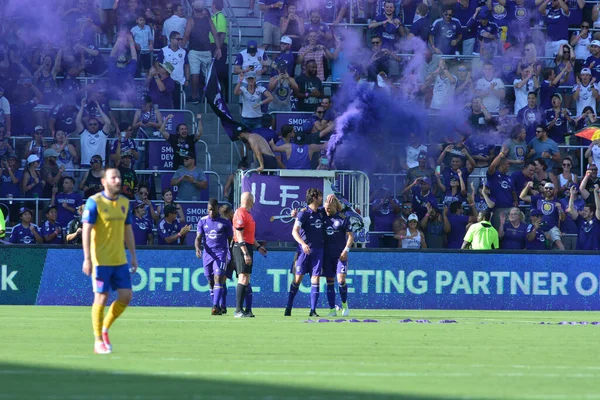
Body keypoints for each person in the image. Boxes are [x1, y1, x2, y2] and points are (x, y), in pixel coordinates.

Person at [81, 168, 138, 354]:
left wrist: (133, 255)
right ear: (104, 181)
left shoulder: (124, 202)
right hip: (100, 261)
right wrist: (87, 258)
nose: (117, 180)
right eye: (113, 177)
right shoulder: (94, 202)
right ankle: (98, 340)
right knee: (101, 297)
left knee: (126, 296)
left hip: (119, 260)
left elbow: (127, 230)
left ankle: (105, 327)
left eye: (119, 177)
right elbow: (87, 230)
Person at [285, 188, 324, 317]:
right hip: (303, 252)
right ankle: (288, 306)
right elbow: (294, 231)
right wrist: (303, 244)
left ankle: (313, 310)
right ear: (314, 197)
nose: (322, 198)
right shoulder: (303, 214)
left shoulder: (321, 212)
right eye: (320, 196)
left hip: (318, 251)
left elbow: (337, 208)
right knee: (297, 279)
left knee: (316, 279)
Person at [195, 198, 233, 315]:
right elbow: (198, 237)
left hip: (220, 253)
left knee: (219, 278)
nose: (211, 212)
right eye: (209, 210)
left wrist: (229, 252)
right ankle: (220, 305)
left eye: (213, 209)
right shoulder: (202, 221)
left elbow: (230, 238)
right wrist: (197, 248)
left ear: (217, 208)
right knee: (210, 281)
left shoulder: (225, 222)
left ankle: (215, 306)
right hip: (208, 254)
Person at [232, 192, 267, 318]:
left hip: (247, 246)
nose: (254, 202)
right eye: (252, 200)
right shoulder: (240, 213)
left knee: (246, 278)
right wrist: (245, 252)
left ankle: (246, 310)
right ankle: (238, 310)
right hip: (241, 247)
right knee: (243, 277)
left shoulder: (248, 214)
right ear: (248, 200)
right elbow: (239, 234)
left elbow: (249, 236)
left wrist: (258, 247)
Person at [182, 1, 222, 103]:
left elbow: (186, 35)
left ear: (193, 9)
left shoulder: (191, 20)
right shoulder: (208, 20)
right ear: (203, 9)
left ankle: (195, 96)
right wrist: (218, 48)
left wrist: (180, 47)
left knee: (195, 74)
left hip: (194, 51)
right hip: (207, 51)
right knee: (207, 76)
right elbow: (215, 34)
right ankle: (210, 97)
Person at [321, 194, 353, 317]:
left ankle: (345, 305)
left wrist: (346, 250)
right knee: (329, 281)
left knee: (341, 280)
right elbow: (309, 210)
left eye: (329, 208)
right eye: (325, 208)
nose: (327, 210)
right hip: (327, 256)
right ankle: (332, 309)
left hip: (340, 255)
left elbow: (351, 236)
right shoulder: (322, 215)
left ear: (334, 206)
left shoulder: (343, 218)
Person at [520, 181, 566, 250]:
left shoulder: (558, 202)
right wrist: (527, 187)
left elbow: (562, 218)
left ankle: (565, 258)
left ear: (554, 190)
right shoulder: (538, 199)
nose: (548, 190)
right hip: (539, 227)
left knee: (558, 242)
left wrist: (560, 209)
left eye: (550, 188)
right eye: (546, 188)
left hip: (552, 228)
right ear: (543, 189)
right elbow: (522, 197)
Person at [76, 98, 112, 167]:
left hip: (100, 166)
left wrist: (99, 109)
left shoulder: (102, 134)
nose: (93, 126)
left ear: (98, 125)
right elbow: (77, 122)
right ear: (88, 125)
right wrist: (82, 107)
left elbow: (108, 123)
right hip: (85, 165)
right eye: (90, 124)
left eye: (95, 124)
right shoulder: (84, 134)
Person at [566, 185, 600, 250]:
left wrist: (595, 193)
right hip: (580, 253)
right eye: (583, 210)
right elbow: (571, 210)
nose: (583, 212)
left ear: (592, 213)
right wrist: (572, 195)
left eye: (586, 211)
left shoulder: (597, 221)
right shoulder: (580, 221)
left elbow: (598, 208)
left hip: (595, 253)